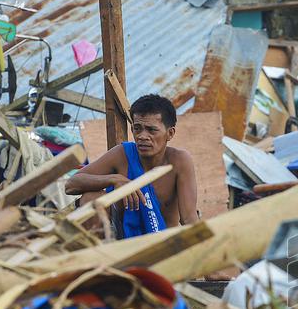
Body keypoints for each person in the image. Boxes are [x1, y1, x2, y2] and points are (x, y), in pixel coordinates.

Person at [66, 94, 199, 237]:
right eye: (137, 128)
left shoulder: (179, 161)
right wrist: (114, 179)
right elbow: (71, 184)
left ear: (170, 133)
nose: (142, 136)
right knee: (91, 198)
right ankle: (99, 255)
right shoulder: (122, 154)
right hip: (120, 240)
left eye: (151, 130)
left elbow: (188, 218)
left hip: (161, 242)